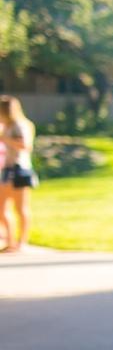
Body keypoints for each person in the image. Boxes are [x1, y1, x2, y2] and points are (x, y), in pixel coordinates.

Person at [0, 95, 37, 253]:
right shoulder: (7, 126)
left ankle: (21, 242)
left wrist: (5, 139)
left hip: (19, 168)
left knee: (20, 208)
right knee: (2, 208)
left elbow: (25, 145)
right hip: (8, 169)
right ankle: (10, 241)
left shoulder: (20, 125)